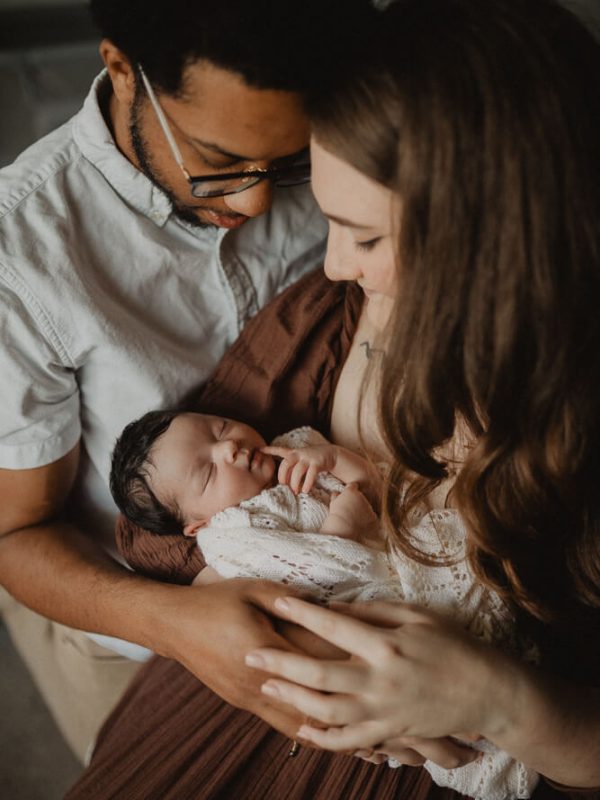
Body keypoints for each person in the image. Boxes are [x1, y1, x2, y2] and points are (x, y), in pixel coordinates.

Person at [66, 0, 600, 797]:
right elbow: (169, 505)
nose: (336, 264)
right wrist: (233, 607)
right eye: (329, 222)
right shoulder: (328, 316)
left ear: (492, 239)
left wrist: (500, 699)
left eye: (367, 236)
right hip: (232, 711)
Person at [0, 0, 378, 762]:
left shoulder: (351, 141)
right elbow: (15, 535)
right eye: (217, 161)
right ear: (121, 70)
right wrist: (179, 626)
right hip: (133, 630)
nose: (255, 202)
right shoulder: (22, 262)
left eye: (288, 162)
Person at [112, 409, 540, 799]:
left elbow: (378, 481)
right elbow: (311, 581)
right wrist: (342, 527)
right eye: (208, 472)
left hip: (403, 541)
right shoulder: (233, 536)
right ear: (197, 524)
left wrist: (335, 460)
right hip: (371, 599)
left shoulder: (296, 445)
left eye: (218, 428)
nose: (228, 448)